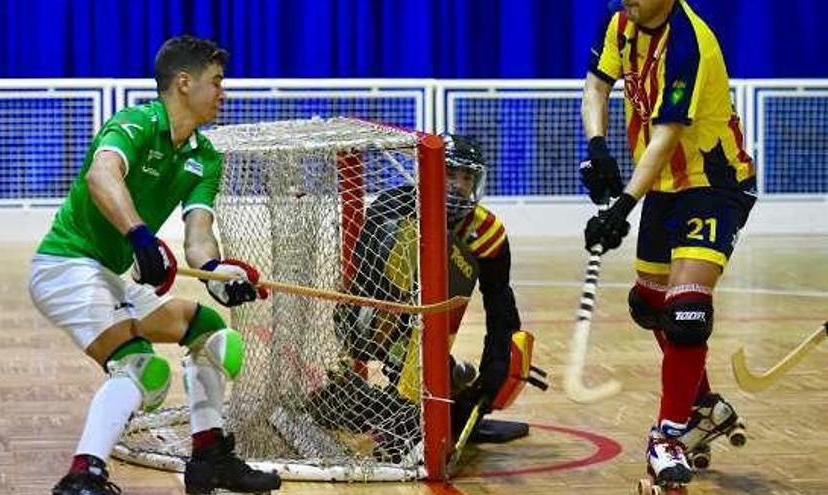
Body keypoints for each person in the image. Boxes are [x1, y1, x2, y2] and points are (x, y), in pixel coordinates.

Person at [29, 35, 281, 495]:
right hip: (65, 268)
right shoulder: (135, 123)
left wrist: (220, 276)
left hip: (109, 275)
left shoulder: (205, 156)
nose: (225, 93)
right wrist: (139, 235)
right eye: (217, 82)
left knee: (211, 332)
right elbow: (101, 174)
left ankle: (208, 457)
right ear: (184, 83)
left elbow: (199, 238)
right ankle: (83, 477)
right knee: (140, 368)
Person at [581, 0, 757, 487]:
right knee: (649, 304)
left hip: (712, 182)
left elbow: (666, 134)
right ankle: (704, 407)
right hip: (661, 185)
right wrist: (597, 148)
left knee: (686, 315)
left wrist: (621, 209)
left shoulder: (689, 43)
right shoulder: (621, 22)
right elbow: (597, 83)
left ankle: (669, 436)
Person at [315, 133, 543, 462]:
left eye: (467, 177)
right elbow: (363, 281)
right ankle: (425, 384)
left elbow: (500, 304)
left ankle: (451, 390)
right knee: (379, 319)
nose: (458, 185)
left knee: (505, 360)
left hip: (434, 330)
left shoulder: (489, 233)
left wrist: (497, 362)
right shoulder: (391, 208)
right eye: (450, 173)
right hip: (380, 318)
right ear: (432, 173)